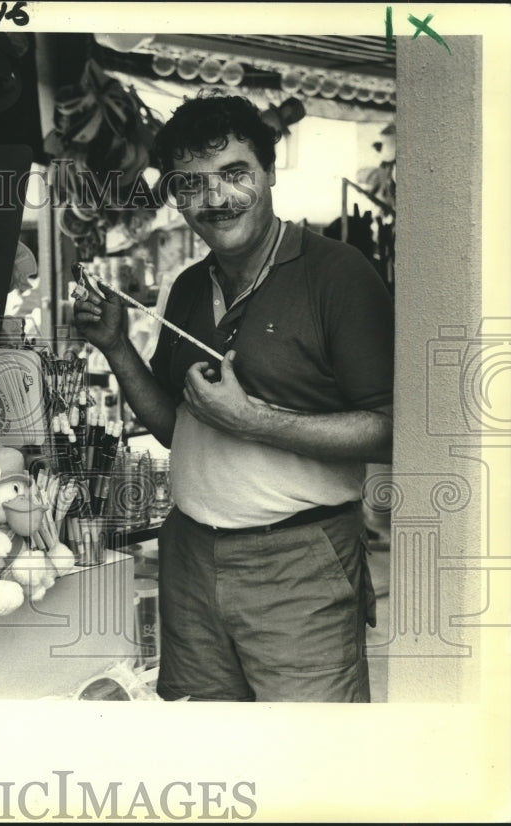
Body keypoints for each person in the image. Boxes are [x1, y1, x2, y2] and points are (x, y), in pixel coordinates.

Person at [73, 94, 394, 702]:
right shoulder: (189, 285)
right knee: (211, 754)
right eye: (190, 184)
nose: (214, 200)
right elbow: (176, 427)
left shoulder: (339, 274)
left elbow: (393, 429)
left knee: (313, 767)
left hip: (298, 561)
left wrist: (255, 422)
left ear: (270, 172)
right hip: (190, 557)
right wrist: (116, 348)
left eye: (234, 174)